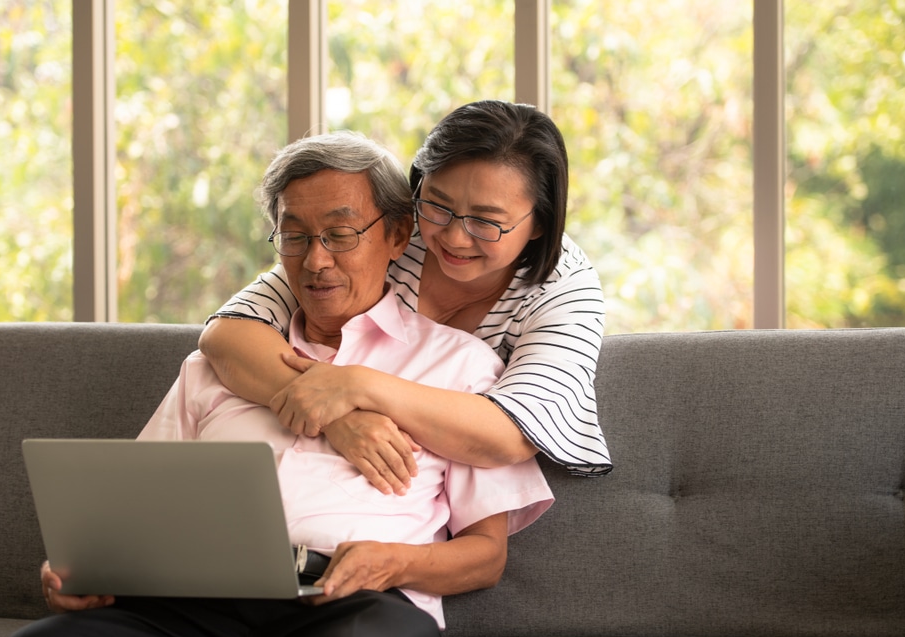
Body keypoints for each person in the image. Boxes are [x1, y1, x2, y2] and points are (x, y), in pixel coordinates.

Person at [0, 132, 553, 637]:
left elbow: (485, 557)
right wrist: (85, 567)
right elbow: (128, 515)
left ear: (399, 234)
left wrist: (397, 562)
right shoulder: (221, 365)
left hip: (351, 602)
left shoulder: (461, 368)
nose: (315, 261)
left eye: (341, 234)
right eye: (295, 236)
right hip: (191, 604)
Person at [199, 100, 612, 497]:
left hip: (439, 484)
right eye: (438, 205)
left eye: (486, 222)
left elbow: (512, 433)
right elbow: (230, 331)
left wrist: (358, 387)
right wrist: (337, 417)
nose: (452, 236)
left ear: (539, 222)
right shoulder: (389, 231)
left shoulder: (565, 289)